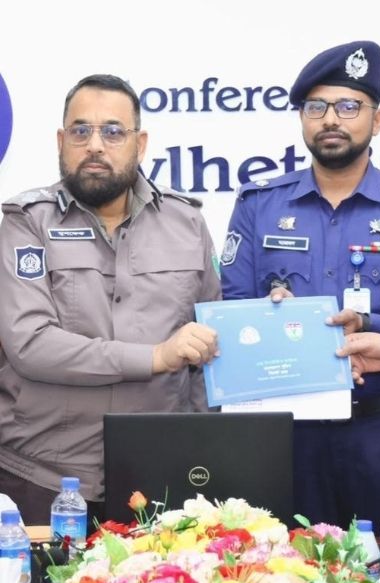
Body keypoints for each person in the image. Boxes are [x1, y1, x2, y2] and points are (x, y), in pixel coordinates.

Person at [221, 41, 380, 534]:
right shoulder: (259, 204)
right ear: (301, 118)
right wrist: (269, 318)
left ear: (377, 119)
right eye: (316, 107)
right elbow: (233, 308)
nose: (330, 120)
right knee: (285, 572)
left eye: (348, 106)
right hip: (286, 437)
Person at [0, 74, 220, 521]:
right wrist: (155, 356)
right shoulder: (27, 223)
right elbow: (30, 344)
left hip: (163, 473)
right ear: (61, 141)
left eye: (113, 131)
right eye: (81, 131)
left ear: (140, 144)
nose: (95, 145)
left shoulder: (187, 223)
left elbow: (209, 349)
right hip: (45, 476)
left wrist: (207, 450)